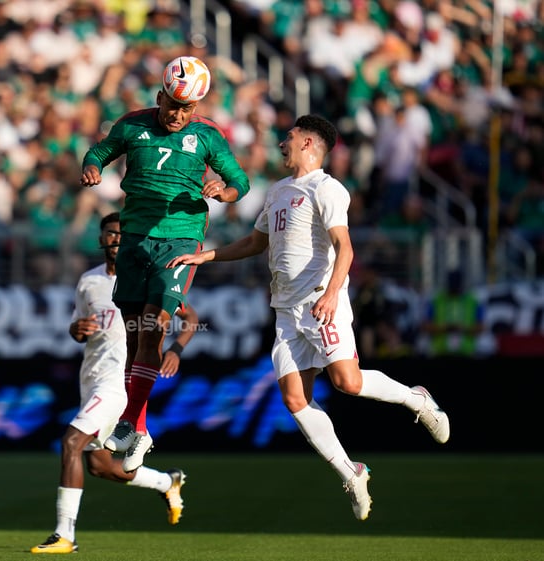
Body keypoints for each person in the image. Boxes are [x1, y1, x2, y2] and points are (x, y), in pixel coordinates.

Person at [167, 114, 449, 521]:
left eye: (290, 136)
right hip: (286, 311)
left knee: (347, 382)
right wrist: (206, 255)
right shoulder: (278, 191)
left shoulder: (327, 188)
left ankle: (416, 398)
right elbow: (254, 243)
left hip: (320, 301)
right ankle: (350, 472)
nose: (283, 142)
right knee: (295, 398)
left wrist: (333, 294)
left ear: (309, 144)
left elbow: (345, 248)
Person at [80, 56, 250, 472]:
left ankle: (127, 420)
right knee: (139, 334)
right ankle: (137, 426)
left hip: (180, 238)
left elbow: (239, 182)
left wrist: (223, 193)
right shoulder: (132, 125)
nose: (178, 114)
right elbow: (99, 151)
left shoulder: (207, 137)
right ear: (160, 96)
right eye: (172, 104)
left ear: (196, 108)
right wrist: (92, 166)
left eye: (186, 108)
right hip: (135, 239)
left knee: (156, 323)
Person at [31, 212, 197, 554]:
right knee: (100, 465)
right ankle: (168, 482)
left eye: (123, 234)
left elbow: (190, 317)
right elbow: (79, 326)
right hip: (90, 379)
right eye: (110, 234)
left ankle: (65, 536)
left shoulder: (149, 279)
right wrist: (75, 331)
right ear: (101, 240)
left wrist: (176, 349)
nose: (117, 239)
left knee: (71, 443)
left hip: (118, 383)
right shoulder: (89, 281)